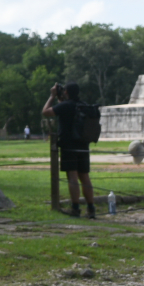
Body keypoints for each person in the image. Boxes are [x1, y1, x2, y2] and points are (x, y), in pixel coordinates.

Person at [42, 82, 96, 218]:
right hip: (83, 145)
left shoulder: (66, 106)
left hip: (69, 146)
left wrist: (52, 96)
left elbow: (45, 112)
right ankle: (91, 209)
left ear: (66, 92)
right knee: (84, 176)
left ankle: (75, 208)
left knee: (72, 176)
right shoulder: (83, 105)